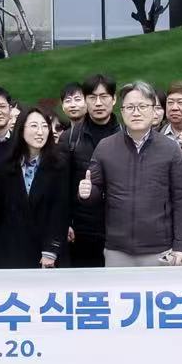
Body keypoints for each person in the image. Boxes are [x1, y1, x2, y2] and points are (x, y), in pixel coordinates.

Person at [75, 81, 182, 267]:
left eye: (142, 106)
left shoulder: (170, 149)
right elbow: (95, 191)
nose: (136, 112)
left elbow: (181, 200)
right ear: (122, 112)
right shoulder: (105, 147)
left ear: (154, 110)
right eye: (130, 107)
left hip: (160, 249)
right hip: (117, 249)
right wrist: (87, 193)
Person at [0, 106, 68, 269]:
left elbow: (60, 211)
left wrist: (50, 251)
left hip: (44, 253)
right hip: (11, 250)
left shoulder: (58, 165)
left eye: (44, 126)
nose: (40, 132)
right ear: (21, 130)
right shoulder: (6, 166)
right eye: (34, 126)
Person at [62, 74, 120, 269]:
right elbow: (61, 185)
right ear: (85, 100)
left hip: (118, 228)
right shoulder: (70, 137)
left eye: (104, 97)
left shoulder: (126, 134)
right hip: (82, 229)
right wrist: (65, 222)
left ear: (114, 99)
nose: (98, 103)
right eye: (92, 97)